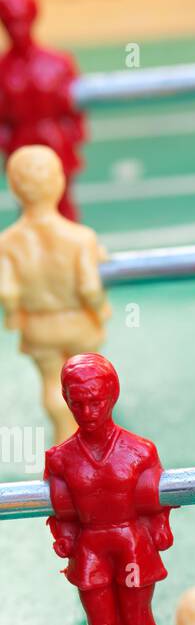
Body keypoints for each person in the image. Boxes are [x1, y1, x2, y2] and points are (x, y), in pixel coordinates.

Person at [44, 353, 172, 625]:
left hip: (131, 545)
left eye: (96, 400)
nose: (88, 410)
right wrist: (65, 537)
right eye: (78, 402)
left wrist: (160, 524)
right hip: (91, 550)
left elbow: (156, 498)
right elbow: (60, 510)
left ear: (112, 396)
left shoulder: (140, 450)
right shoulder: (61, 459)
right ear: (66, 401)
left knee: (137, 620)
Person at [0, 144, 109, 443]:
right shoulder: (81, 238)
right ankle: (93, 437)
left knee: (52, 380)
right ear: (59, 182)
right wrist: (99, 311)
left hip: (39, 326)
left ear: (13, 188)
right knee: (88, 381)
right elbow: (89, 287)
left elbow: (8, 292)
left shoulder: (8, 242)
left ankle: (64, 438)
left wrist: (13, 318)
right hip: (78, 323)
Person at [0, 0, 84, 218]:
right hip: (21, 149)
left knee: (65, 210)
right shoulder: (3, 70)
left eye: (21, 20)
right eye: (9, 21)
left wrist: (72, 137)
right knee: (30, 214)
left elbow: (76, 113)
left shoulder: (58, 63)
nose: (16, 28)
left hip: (56, 144)